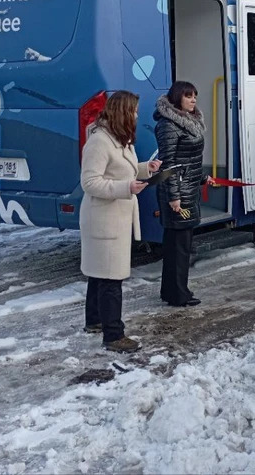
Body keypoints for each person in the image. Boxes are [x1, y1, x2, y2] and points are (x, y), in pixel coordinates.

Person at [80, 91, 160, 353]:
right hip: (104, 218)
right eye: (134, 111)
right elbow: (90, 182)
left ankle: (94, 321)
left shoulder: (120, 140)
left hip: (113, 217)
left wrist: (146, 168)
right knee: (111, 276)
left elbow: (123, 169)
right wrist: (126, 187)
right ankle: (113, 335)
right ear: (123, 112)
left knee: (99, 272)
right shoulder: (99, 142)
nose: (137, 115)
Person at [154, 80, 211, 307]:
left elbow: (188, 160)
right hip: (178, 196)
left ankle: (171, 290)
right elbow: (168, 164)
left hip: (188, 190)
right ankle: (178, 294)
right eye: (188, 96)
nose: (194, 100)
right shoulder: (169, 125)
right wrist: (174, 197)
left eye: (195, 96)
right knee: (179, 246)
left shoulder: (189, 122)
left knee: (178, 244)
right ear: (177, 98)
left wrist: (203, 178)